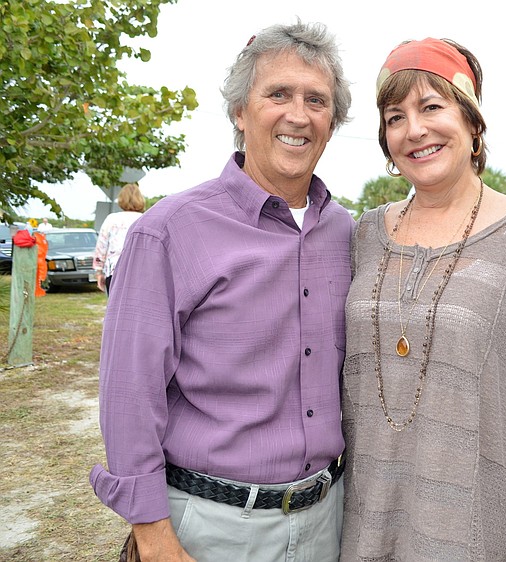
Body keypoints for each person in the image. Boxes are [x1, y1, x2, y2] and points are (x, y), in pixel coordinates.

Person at [89, 20, 354, 562]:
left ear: (332, 121)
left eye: (316, 100)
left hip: (329, 520)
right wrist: (154, 536)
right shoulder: (168, 231)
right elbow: (129, 396)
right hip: (210, 529)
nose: (298, 115)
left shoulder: (347, 233)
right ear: (240, 111)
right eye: (277, 94)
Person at [340, 37, 506, 561]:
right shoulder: (365, 234)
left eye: (431, 107)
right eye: (395, 117)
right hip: (366, 520)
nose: (414, 129)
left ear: (472, 123)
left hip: (476, 528)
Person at [93, 183, 145, 295]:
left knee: (114, 309)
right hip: (139, 272)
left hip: (114, 270)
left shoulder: (111, 219)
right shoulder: (145, 219)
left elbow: (101, 247)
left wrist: (99, 271)